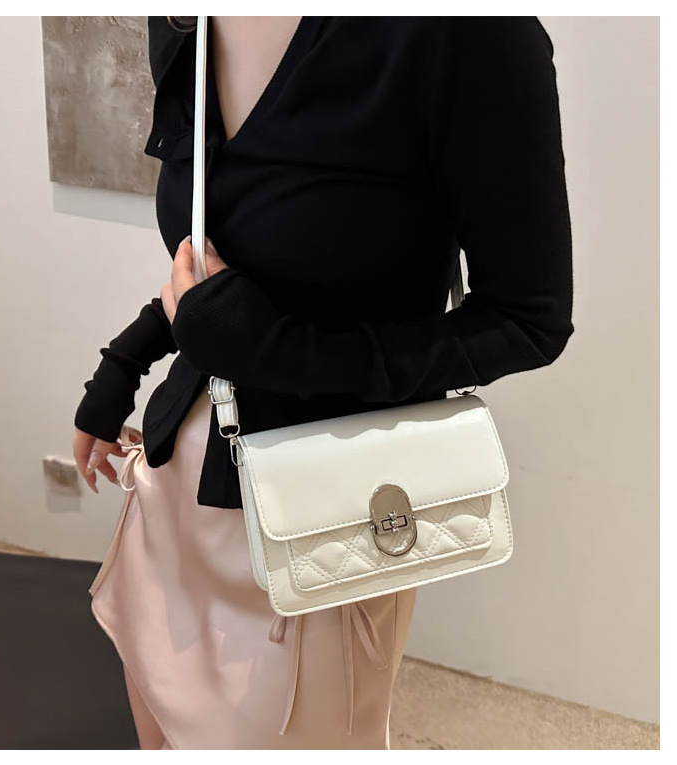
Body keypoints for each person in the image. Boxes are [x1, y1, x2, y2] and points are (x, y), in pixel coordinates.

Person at [72, 16, 575, 750]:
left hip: (322, 532)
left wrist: (285, 353)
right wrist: (126, 361)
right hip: (170, 489)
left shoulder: (465, 31)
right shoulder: (188, 19)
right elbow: (225, 262)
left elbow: (529, 321)